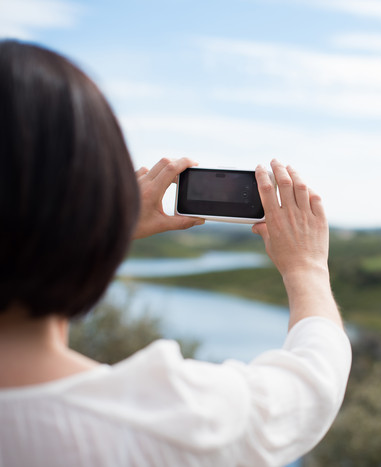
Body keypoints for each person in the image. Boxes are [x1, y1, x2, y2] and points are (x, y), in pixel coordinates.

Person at [0, 39, 351, 467]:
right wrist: (307, 267)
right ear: (97, 200)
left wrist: (100, 226)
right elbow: (312, 387)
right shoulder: (167, 423)